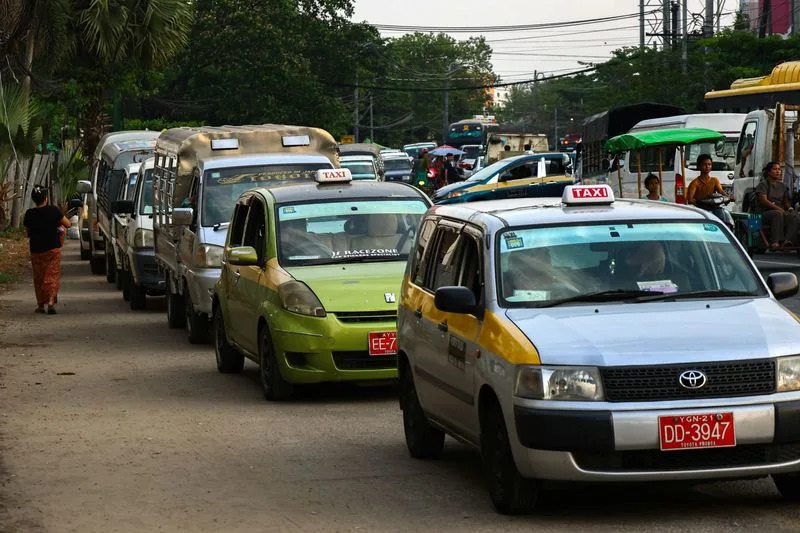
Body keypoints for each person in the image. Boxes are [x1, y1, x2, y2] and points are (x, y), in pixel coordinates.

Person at [23, 186, 71, 314]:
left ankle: (40, 305)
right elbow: (68, 224)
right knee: (52, 275)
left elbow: (28, 233)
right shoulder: (53, 211)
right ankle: (50, 302)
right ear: (46, 198)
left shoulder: (29, 214)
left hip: (36, 250)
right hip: (52, 249)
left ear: (34, 199)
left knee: (39, 277)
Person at [755, 161, 800, 249]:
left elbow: (785, 202)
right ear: (769, 171)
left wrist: (790, 208)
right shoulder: (763, 184)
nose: (778, 171)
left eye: (779, 169)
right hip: (764, 212)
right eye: (775, 169)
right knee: (777, 213)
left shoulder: (782, 186)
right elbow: (764, 201)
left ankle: (788, 240)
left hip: (780, 211)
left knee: (796, 216)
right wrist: (780, 209)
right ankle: (775, 241)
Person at [686, 153, 734, 225]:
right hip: (701, 210)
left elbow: (721, 191)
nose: (707, 166)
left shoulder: (714, 180)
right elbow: (690, 199)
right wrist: (699, 202)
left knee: (725, 218)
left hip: (714, 208)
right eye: (704, 164)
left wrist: (728, 197)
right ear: (699, 166)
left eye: (709, 164)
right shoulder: (695, 183)